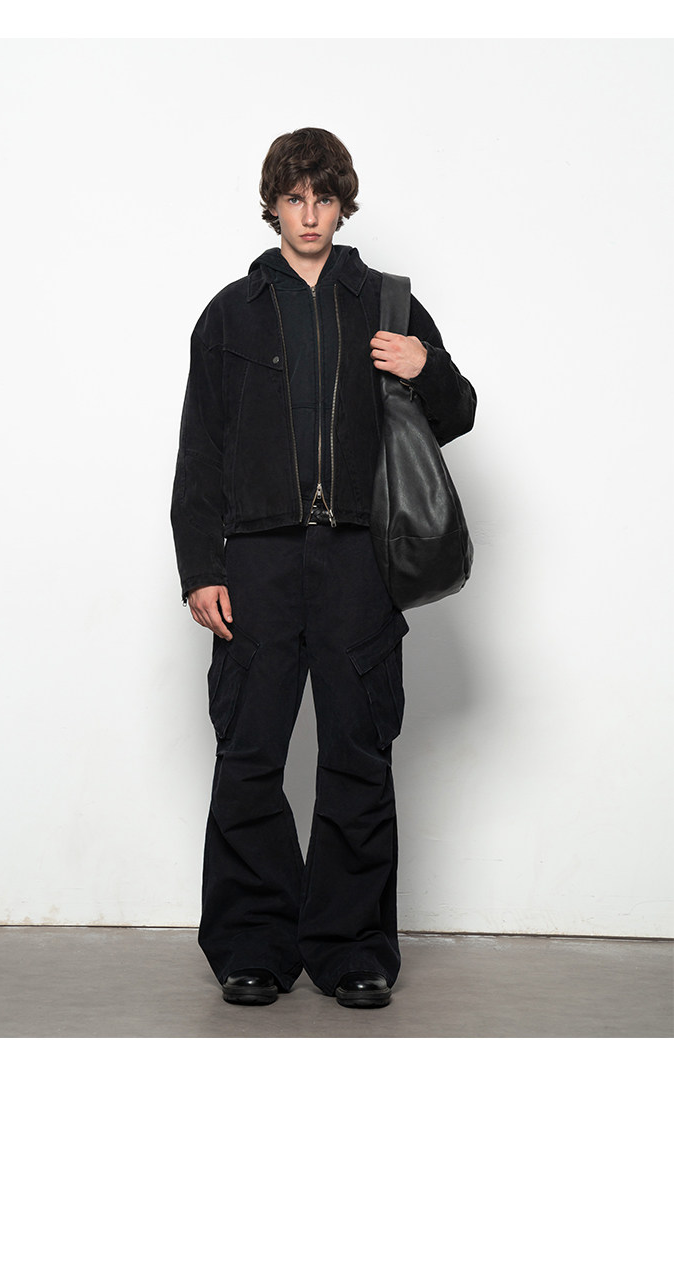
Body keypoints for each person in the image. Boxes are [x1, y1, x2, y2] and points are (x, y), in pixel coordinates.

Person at [171, 127, 476, 1008]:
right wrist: (200, 567)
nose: (310, 216)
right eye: (295, 199)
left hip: (357, 561)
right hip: (257, 562)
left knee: (357, 753)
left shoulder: (386, 302)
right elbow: (200, 450)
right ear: (273, 205)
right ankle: (252, 945)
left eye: (325, 199)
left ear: (344, 205)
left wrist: (425, 367)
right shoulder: (228, 314)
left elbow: (457, 411)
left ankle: (352, 949)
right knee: (249, 754)